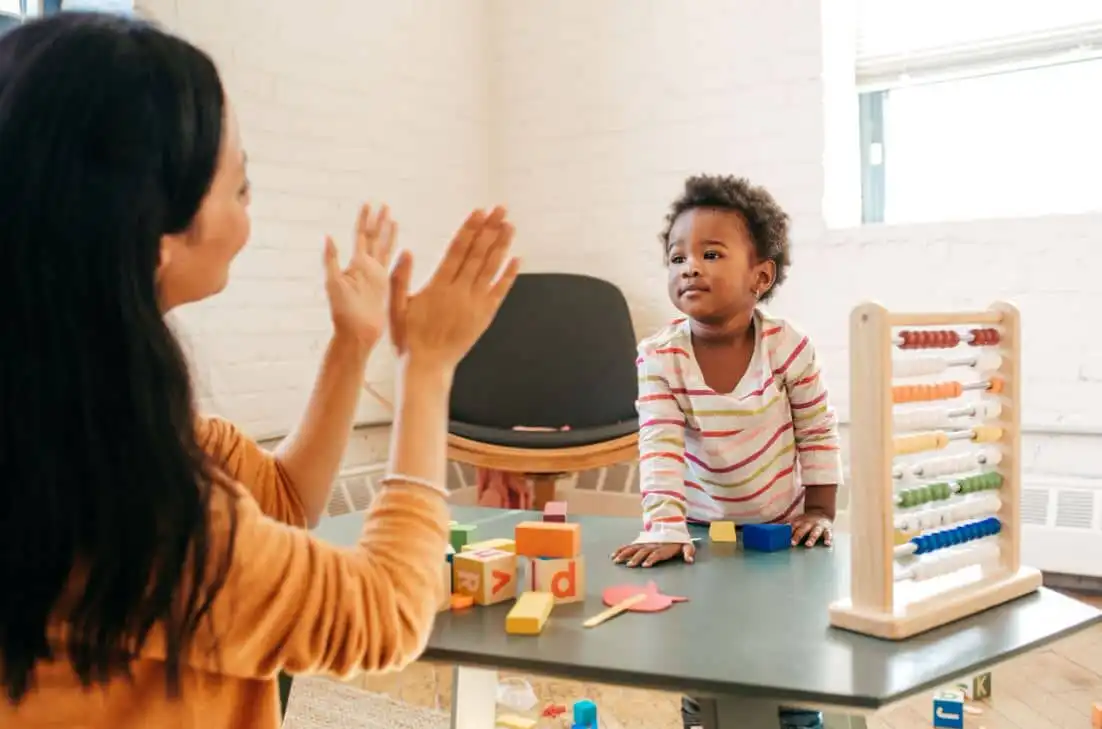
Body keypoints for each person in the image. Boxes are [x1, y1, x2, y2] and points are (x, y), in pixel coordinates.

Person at [0, 12, 519, 729]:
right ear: (154, 240)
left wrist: (352, 343)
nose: (250, 215)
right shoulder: (139, 512)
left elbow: (276, 502)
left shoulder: (74, 428)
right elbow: (387, 608)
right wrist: (426, 369)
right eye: (240, 189)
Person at [610, 174, 842, 729]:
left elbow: (816, 431)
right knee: (702, 645)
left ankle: (799, 718)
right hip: (696, 524)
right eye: (676, 257)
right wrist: (663, 525)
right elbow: (660, 443)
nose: (688, 266)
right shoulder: (660, 356)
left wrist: (820, 511)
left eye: (711, 253)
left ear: (760, 276)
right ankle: (703, 717)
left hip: (781, 525)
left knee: (786, 642)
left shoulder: (789, 348)